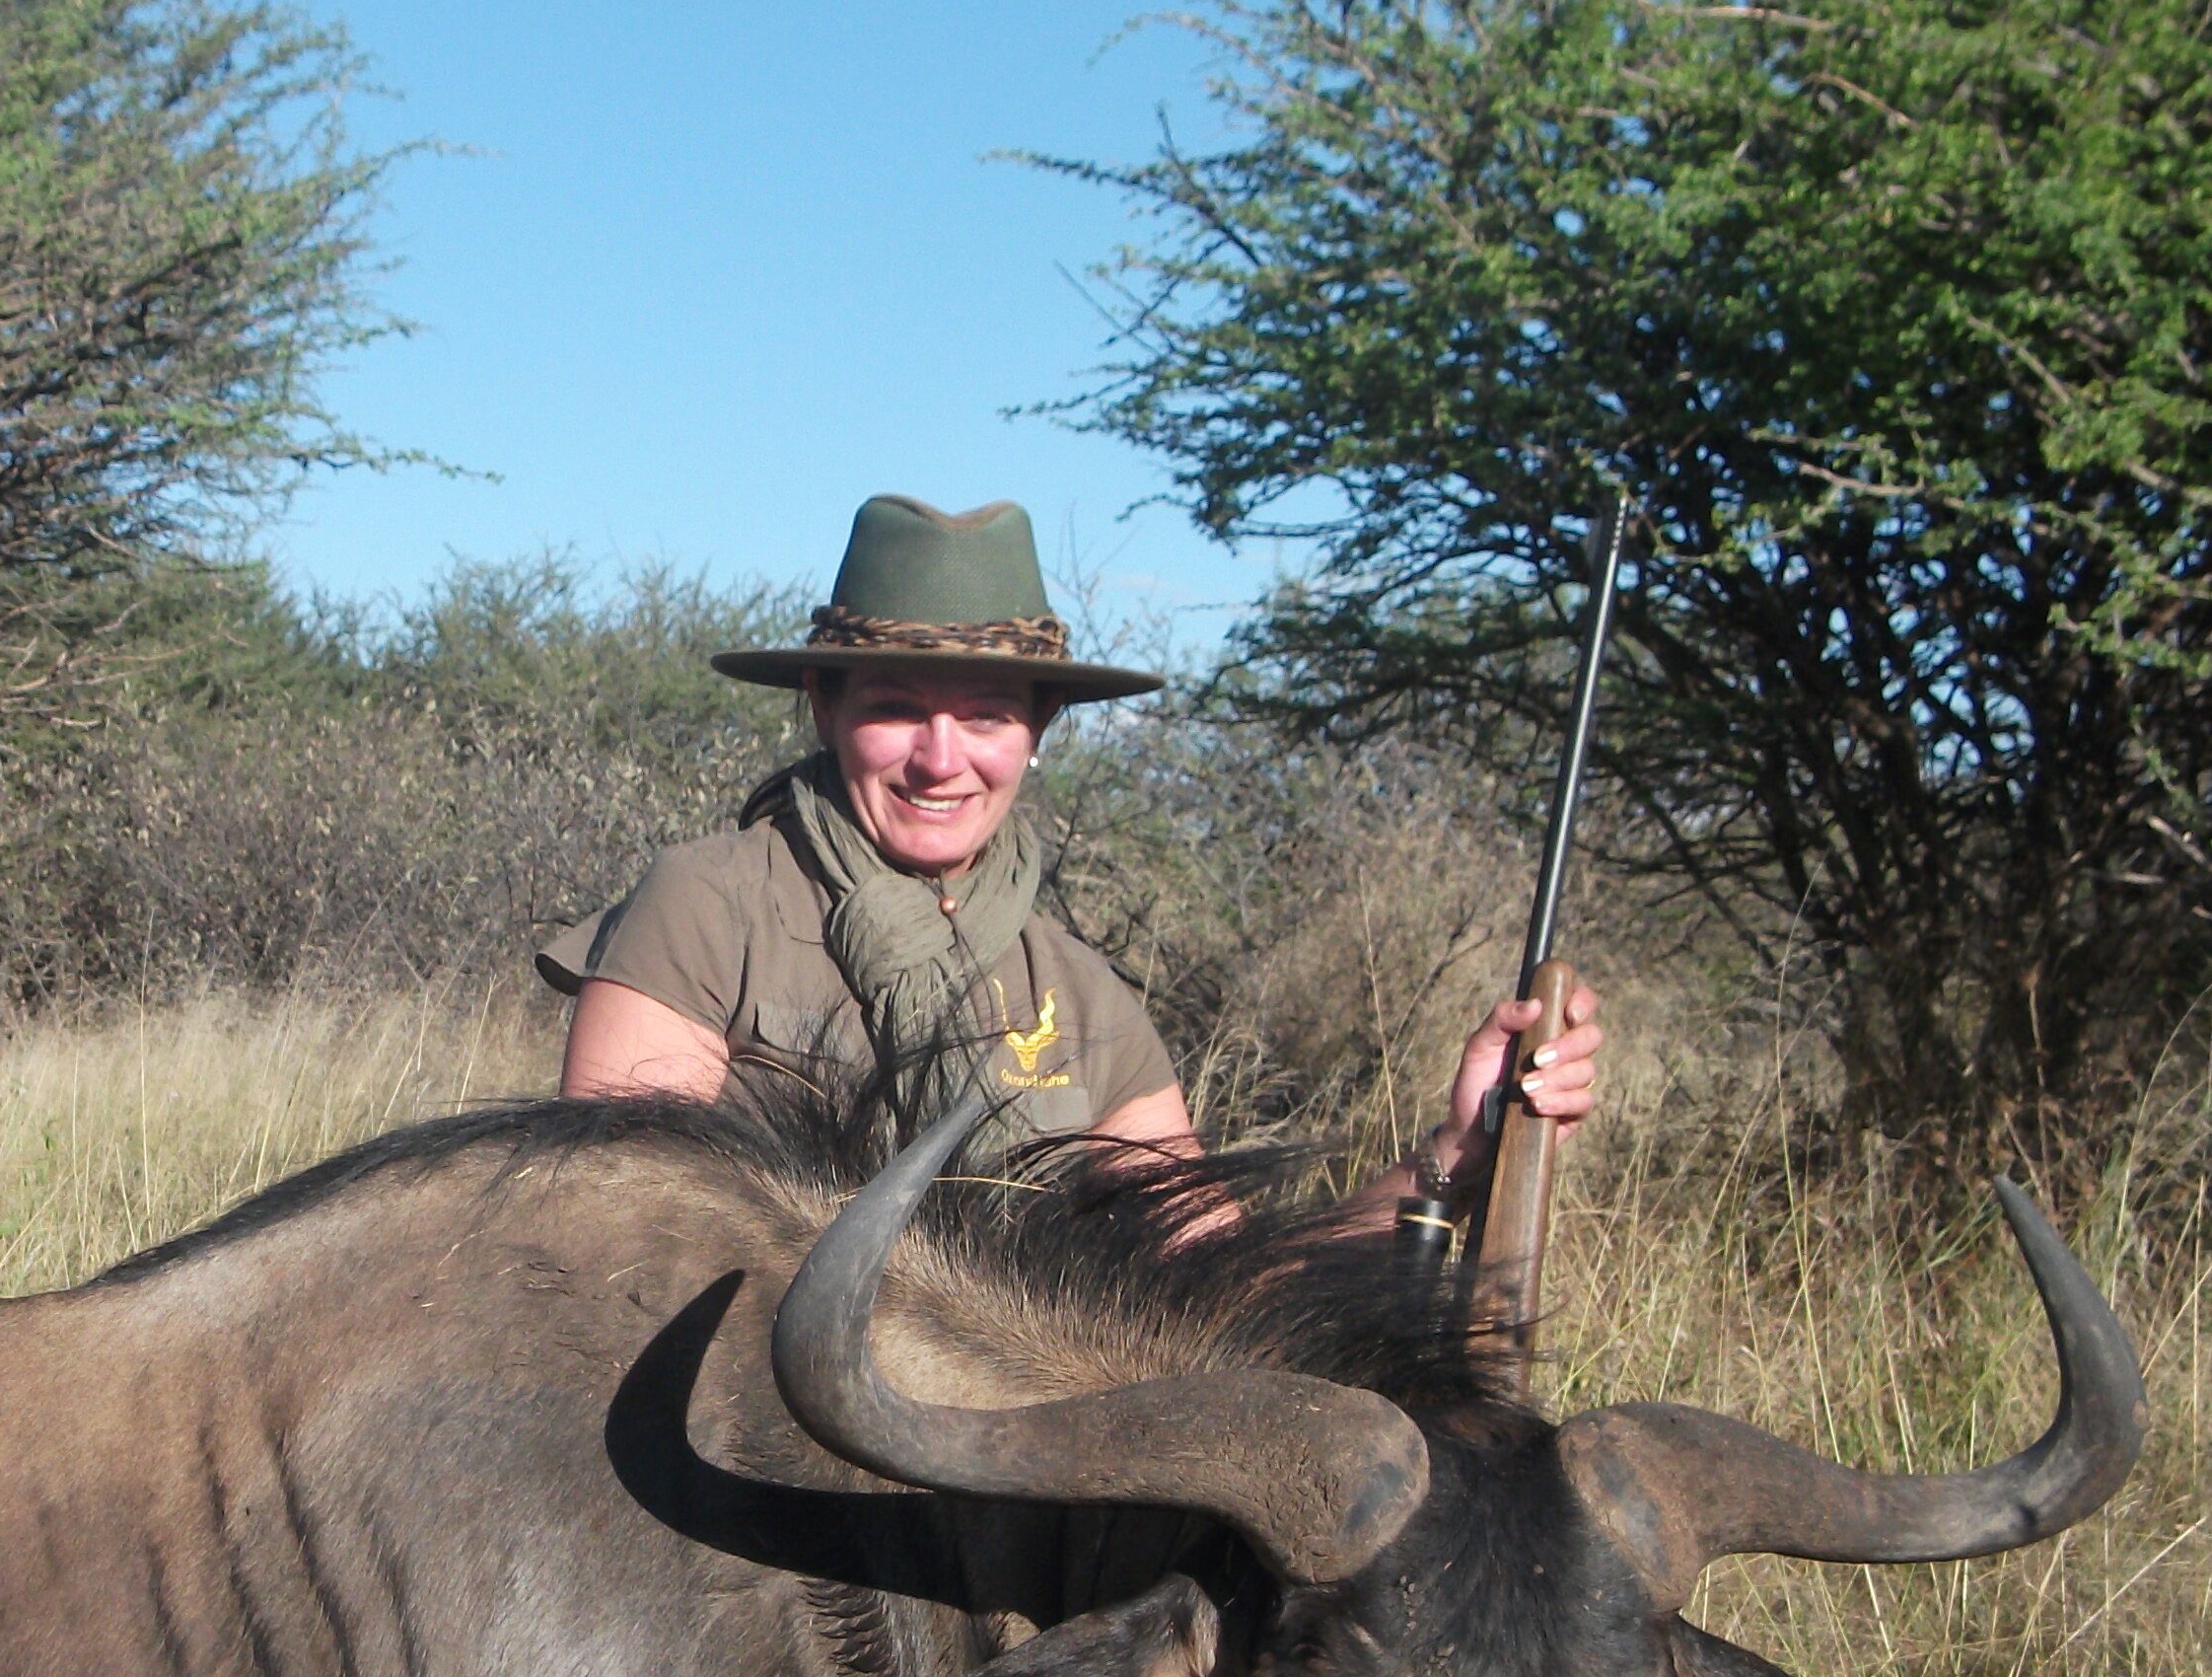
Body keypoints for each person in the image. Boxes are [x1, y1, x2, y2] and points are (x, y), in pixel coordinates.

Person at [538, 493, 1601, 1192]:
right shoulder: (707, 903)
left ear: (1037, 732)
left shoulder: (1083, 995)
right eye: (898, 707)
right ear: (822, 707)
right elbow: (623, 1232)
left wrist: (1459, 1155)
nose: (940, 758)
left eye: (989, 716)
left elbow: (1219, 1298)